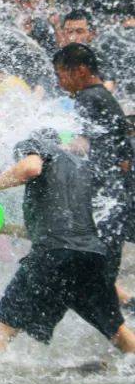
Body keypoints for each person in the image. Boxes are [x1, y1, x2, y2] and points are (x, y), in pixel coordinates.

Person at [0, 129, 135, 354]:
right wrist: (3, 229)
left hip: (51, 255)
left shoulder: (36, 144)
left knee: (5, 325)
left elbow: (29, 168)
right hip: (91, 255)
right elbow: (59, 230)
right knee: (116, 331)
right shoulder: (81, 167)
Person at [52, 44, 133, 293]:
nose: (59, 82)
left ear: (81, 70)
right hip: (117, 192)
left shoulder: (87, 98)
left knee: (96, 270)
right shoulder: (102, 96)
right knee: (104, 265)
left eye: (61, 74)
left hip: (105, 195)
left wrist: (50, 148)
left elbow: (82, 145)